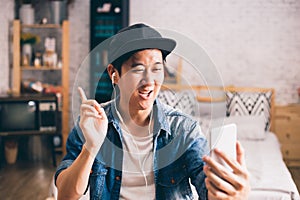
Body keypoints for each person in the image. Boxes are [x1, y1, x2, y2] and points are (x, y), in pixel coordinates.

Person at [55, 23, 250, 200]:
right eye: (138, 69)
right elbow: (65, 195)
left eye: (157, 69)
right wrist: (90, 147)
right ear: (113, 73)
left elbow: (207, 188)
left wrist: (232, 192)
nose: (149, 81)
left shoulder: (183, 129)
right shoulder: (91, 124)